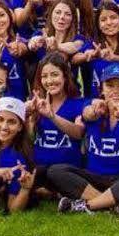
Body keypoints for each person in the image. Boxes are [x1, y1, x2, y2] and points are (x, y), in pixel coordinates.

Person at [49, 63, 119, 215]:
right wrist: (93, 112)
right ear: (101, 89)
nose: (116, 90)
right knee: (56, 171)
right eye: (110, 85)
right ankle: (110, 204)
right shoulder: (95, 107)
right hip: (94, 179)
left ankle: (86, 205)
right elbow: (87, 113)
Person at [26, 53, 84, 189]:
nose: (49, 81)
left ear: (65, 76)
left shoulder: (78, 103)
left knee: (55, 174)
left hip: (65, 167)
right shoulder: (36, 103)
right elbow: (28, 139)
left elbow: (79, 132)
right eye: (44, 76)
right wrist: (30, 118)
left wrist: (52, 116)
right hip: (40, 165)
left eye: (54, 74)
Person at [82, 2, 119, 98]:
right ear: (98, 25)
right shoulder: (93, 44)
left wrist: (116, 57)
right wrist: (89, 55)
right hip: (98, 103)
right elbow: (74, 58)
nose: (109, 22)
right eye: (103, 20)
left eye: (113, 18)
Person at [0, 1, 30, 101]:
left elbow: (24, 48)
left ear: (9, 18)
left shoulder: (18, 40)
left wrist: (18, 49)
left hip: (16, 103)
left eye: (2, 15)